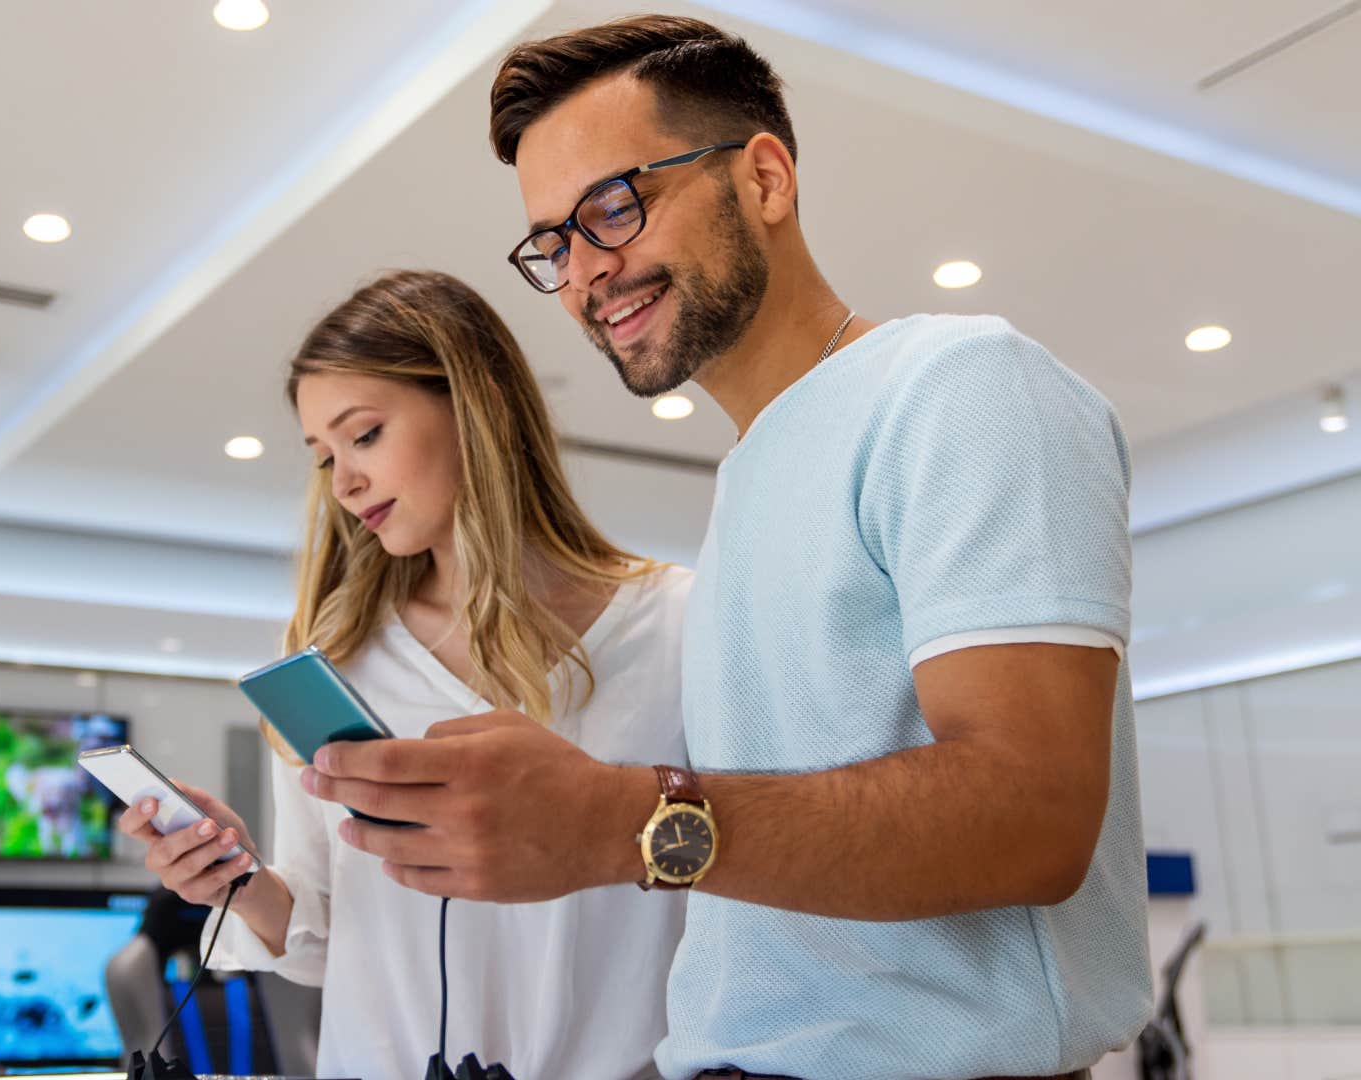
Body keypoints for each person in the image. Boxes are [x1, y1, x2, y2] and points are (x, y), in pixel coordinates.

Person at [302, 17, 1151, 1080]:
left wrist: (615, 821)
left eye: (614, 206)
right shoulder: (750, 477)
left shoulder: (960, 385)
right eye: (553, 243)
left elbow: (1034, 816)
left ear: (763, 178)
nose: (584, 275)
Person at [118, 269, 693, 1080]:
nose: (344, 482)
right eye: (324, 457)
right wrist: (235, 880)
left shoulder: (677, 625)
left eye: (364, 435)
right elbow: (314, 938)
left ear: (473, 403)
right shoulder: (339, 660)